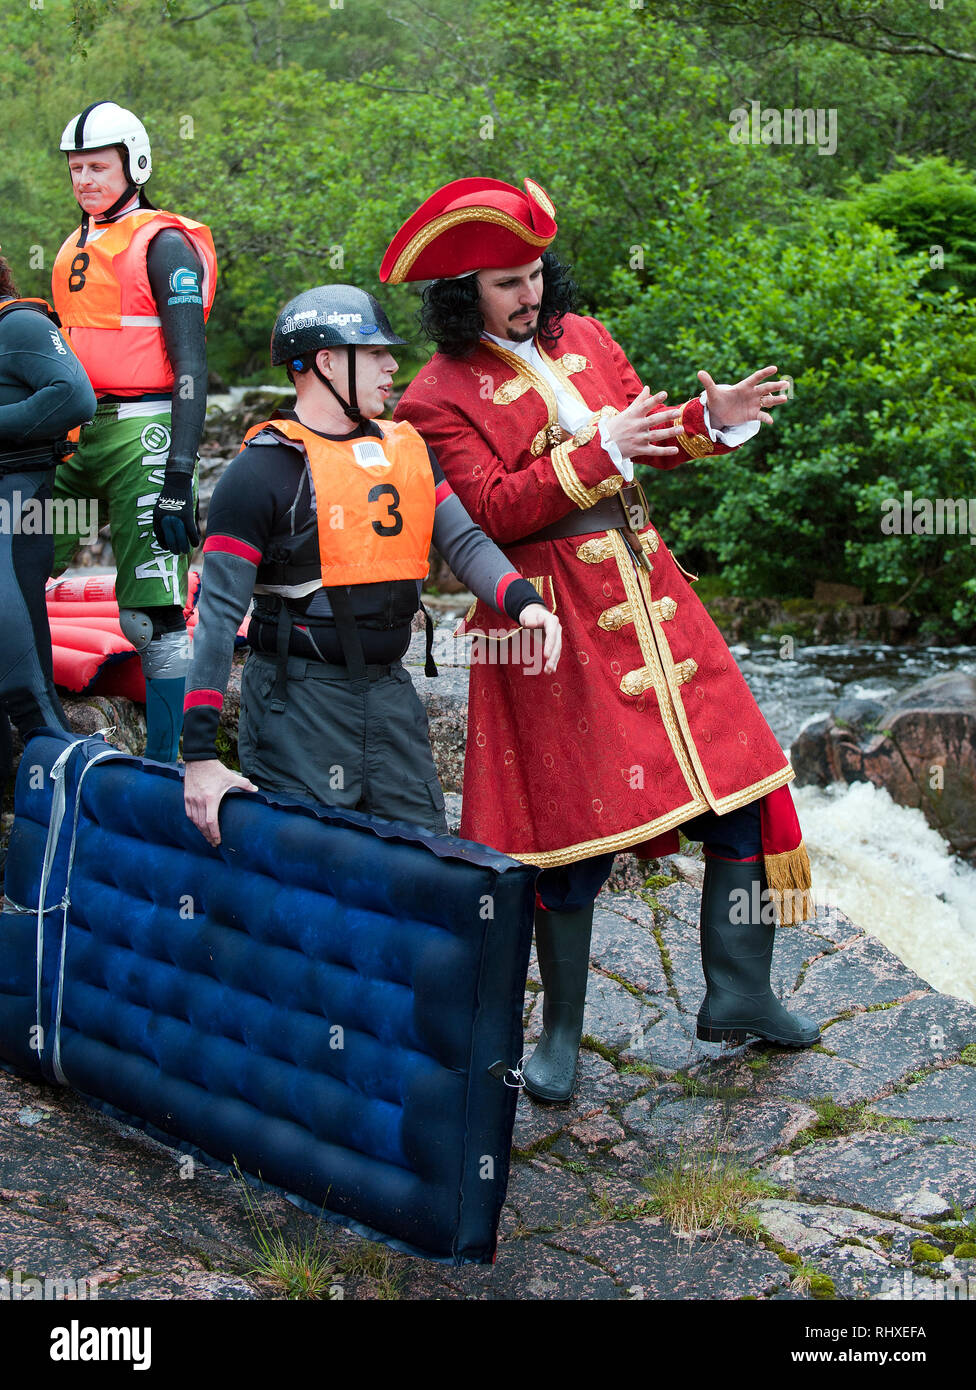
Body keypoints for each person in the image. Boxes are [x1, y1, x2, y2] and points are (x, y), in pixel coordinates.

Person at [381, 177, 820, 1103]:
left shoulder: (585, 339)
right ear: (463, 295)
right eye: (505, 282)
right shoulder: (432, 397)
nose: (529, 295)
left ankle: (740, 993)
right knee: (570, 837)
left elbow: (647, 440)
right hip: (548, 625)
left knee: (737, 792)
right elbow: (490, 513)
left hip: (655, 596)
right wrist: (599, 450)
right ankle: (563, 1036)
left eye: (535, 274)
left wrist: (714, 422)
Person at [181, 283, 561, 846]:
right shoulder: (260, 473)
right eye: (375, 352)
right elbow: (215, 619)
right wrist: (198, 758)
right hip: (298, 700)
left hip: (389, 693)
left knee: (424, 864)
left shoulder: (406, 450)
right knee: (311, 875)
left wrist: (524, 603)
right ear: (325, 362)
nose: (392, 364)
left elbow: (464, 541)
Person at [50, 101, 217, 761]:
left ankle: (171, 762)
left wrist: (181, 472)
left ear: (134, 162)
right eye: (76, 168)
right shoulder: (75, 243)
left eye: (98, 166)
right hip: (71, 429)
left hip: (143, 431)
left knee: (149, 614)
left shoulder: (164, 243)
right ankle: (34, 715)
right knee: (23, 558)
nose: (85, 179)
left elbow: (192, 365)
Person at [0, 247, 96, 801]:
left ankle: (54, 750)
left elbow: (75, 398)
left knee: (19, 633)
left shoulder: (21, 325)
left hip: (19, 503)